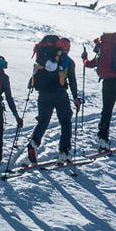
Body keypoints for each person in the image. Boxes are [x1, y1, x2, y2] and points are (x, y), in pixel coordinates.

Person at [25, 35, 82, 164]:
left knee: (43, 121)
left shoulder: (43, 58)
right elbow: (72, 81)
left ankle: (34, 142)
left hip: (43, 94)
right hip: (60, 94)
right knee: (66, 122)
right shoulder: (68, 61)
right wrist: (75, 98)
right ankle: (64, 152)